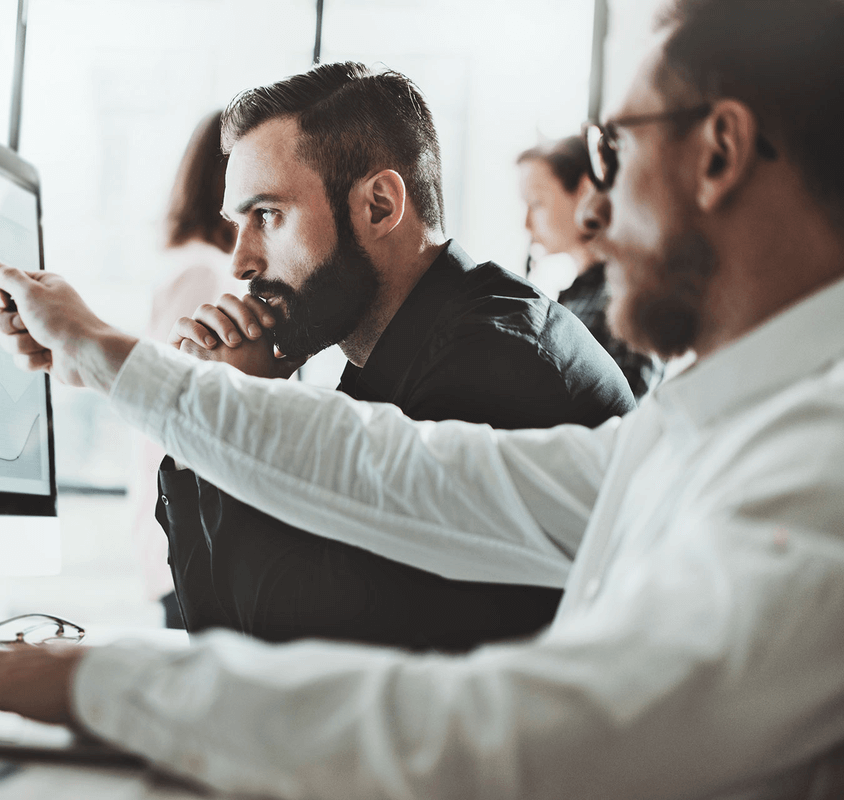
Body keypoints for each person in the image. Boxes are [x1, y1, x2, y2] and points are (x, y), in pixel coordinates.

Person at [0, 0, 844, 796]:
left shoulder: (823, 469)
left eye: (613, 150)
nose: (592, 210)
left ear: (721, 151)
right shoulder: (707, 427)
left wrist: (113, 685)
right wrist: (112, 359)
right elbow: (402, 471)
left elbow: (510, 732)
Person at [156, 63, 634, 653]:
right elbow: (218, 636)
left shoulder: (496, 367)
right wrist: (199, 434)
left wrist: (245, 413)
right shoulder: (380, 363)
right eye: (238, 223)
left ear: (379, 206)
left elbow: (302, 661)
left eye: (269, 216)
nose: (241, 262)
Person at [128, 110, 245, 628]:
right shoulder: (205, 273)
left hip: (182, 528)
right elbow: (179, 406)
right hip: (191, 530)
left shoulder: (196, 266)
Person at [518, 135, 663, 398]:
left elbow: (623, 413)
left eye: (536, 203)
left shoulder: (623, 299)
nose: (526, 224)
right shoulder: (578, 296)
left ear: (584, 191)